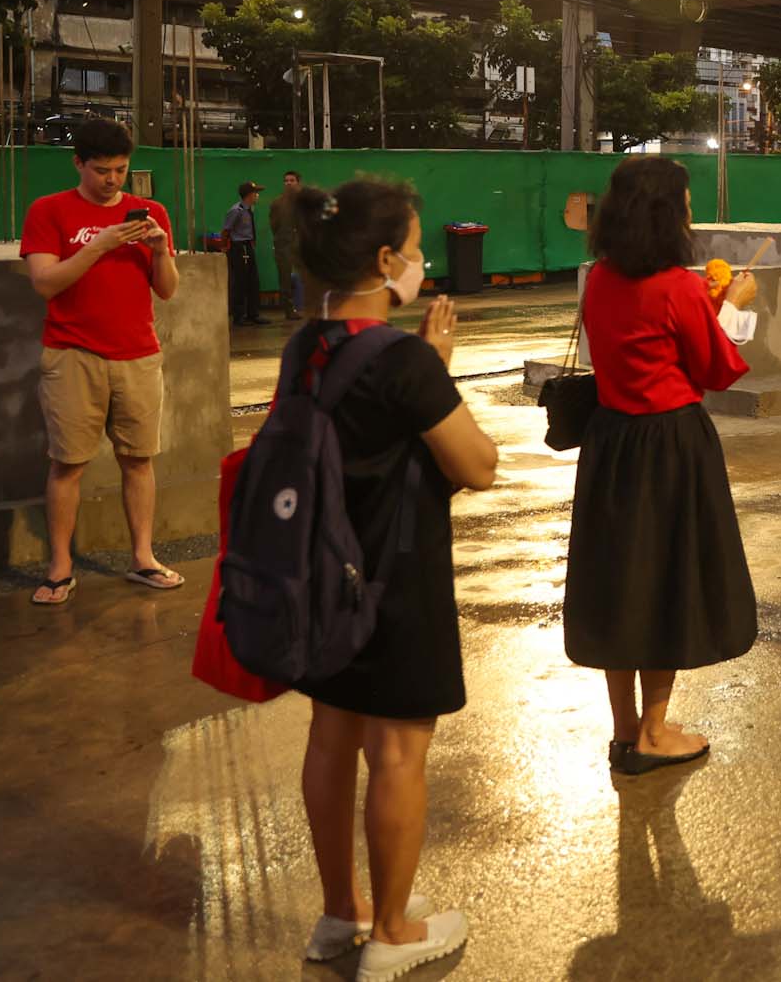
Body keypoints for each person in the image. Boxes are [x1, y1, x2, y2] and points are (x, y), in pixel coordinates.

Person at [285, 178, 497, 980]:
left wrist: (423, 367)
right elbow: (476, 463)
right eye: (412, 248)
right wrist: (435, 366)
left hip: (318, 573)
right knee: (399, 748)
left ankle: (341, 913)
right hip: (396, 579)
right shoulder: (404, 358)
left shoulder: (302, 345)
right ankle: (395, 932)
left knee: (331, 736)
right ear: (383, 259)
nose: (421, 260)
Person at [563, 156, 760, 776]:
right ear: (666, 214)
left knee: (621, 582)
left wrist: (709, 304)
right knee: (667, 579)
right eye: (685, 204)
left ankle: (625, 731)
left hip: (611, 443)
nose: (692, 214)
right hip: (671, 446)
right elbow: (716, 369)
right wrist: (735, 308)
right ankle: (654, 731)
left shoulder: (599, 277)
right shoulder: (677, 286)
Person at [19, 118, 182, 606]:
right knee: (67, 462)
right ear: (78, 163)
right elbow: (46, 283)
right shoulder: (49, 211)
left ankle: (142, 557)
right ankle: (60, 567)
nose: (113, 180)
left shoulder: (150, 211)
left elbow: (168, 290)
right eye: (102, 170)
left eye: (121, 170)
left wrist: (159, 252)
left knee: (138, 459)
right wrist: (100, 245)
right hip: (72, 354)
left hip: (137, 353)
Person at [223, 181, 264, 326]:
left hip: (248, 245)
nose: (257, 195)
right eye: (255, 193)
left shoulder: (249, 210)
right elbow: (226, 230)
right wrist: (226, 248)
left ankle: (253, 314)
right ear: (249, 195)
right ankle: (239, 316)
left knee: (253, 280)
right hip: (239, 247)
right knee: (240, 282)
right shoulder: (236, 210)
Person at [270, 169, 307, 318]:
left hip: (302, 243)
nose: (288, 183)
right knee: (285, 277)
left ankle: (309, 305)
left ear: (298, 183)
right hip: (284, 243)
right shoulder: (278, 203)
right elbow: (274, 225)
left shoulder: (304, 202)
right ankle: (289, 309)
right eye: (286, 181)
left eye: (292, 180)